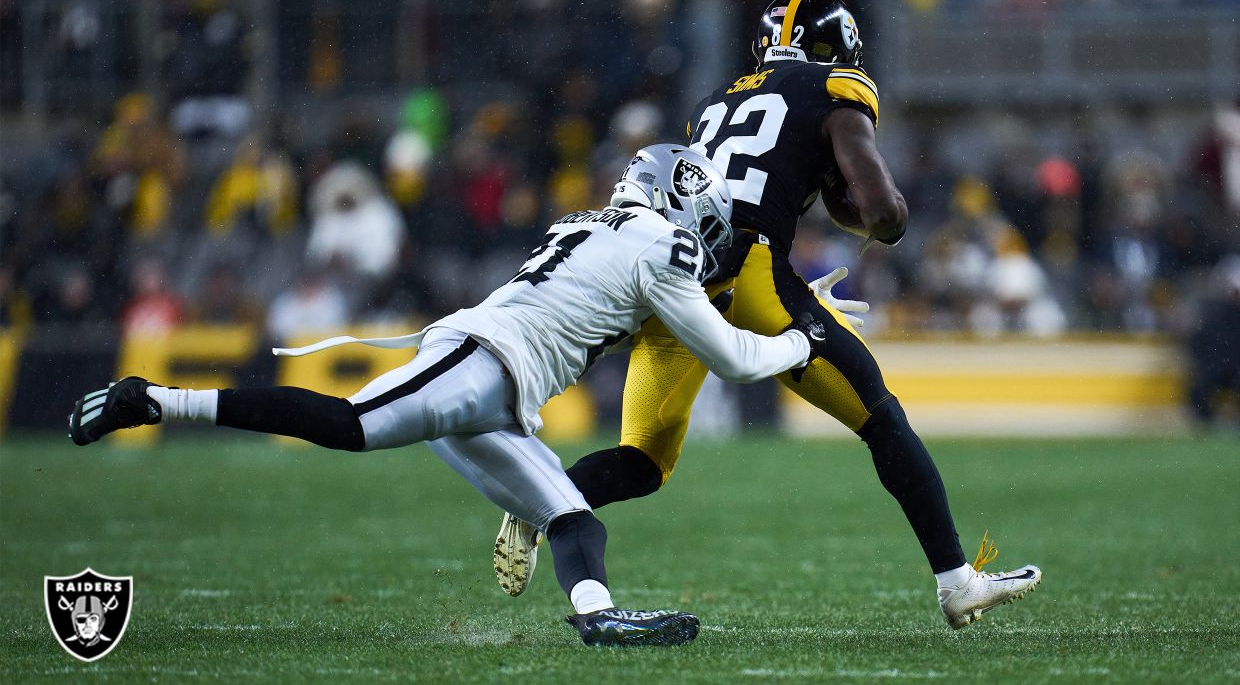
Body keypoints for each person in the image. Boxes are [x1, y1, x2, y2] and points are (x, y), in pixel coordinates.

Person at [67, 145, 840, 647]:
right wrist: (806, 339)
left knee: (569, 512)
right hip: (479, 360)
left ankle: (599, 616)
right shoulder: (660, 245)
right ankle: (155, 399)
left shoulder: (598, 224)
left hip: (499, 392)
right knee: (348, 424)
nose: (701, 235)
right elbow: (734, 358)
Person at [493, 0, 1042, 630]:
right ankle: (956, 582)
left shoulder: (716, 102)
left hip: (674, 272)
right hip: (751, 274)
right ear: (836, 44)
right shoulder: (838, 87)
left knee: (642, 461)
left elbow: (780, 178)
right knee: (882, 418)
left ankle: (542, 502)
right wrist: (886, 223)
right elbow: (878, 207)